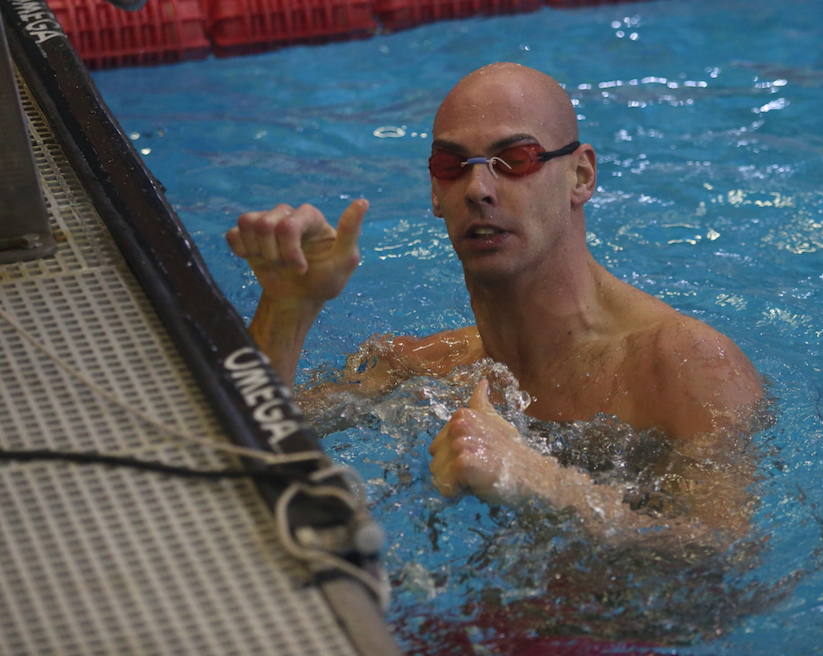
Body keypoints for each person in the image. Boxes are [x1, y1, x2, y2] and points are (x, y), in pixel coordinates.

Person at [226, 63, 764, 545]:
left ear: (582, 175)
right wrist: (288, 307)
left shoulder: (685, 363)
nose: (478, 188)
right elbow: (233, 455)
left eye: (515, 159)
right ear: (434, 193)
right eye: (451, 164)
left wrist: (547, 484)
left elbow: (727, 552)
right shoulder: (422, 367)